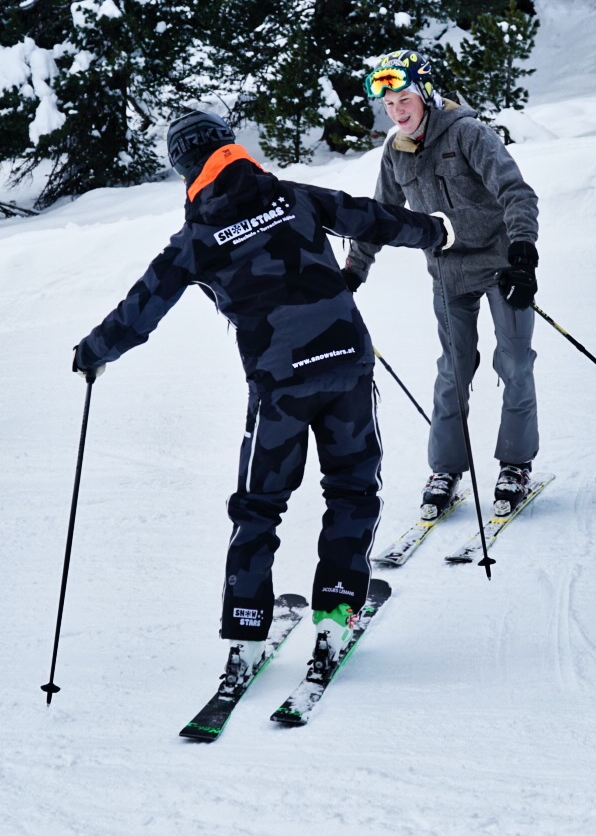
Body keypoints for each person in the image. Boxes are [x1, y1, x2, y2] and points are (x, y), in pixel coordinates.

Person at [71, 110, 453, 688]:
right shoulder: (294, 196)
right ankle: (336, 614)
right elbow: (370, 218)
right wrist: (435, 231)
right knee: (352, 489)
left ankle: (247, 631)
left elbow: (141, 307)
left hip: (280, 390)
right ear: (230, 147)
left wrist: (94, 352)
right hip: (347, 367)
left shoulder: (196, 239)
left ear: (184, 170)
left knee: (259, 507)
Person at [345, 49, 542, 520]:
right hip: (448, 275)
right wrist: (354, 269)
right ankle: (446, 470)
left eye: (404, 99)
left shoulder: (468, 133)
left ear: (425, 94)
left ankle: (515, 463)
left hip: (500, 267)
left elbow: (516, 192)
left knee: (514, 361)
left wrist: (523, 251)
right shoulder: (395, 151)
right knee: (453, 370)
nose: (397, 111)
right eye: (388, 105)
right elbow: (380, 216)